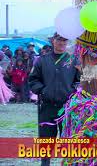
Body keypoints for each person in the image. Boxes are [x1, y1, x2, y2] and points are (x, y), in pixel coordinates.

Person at [29, 33, 81, 166]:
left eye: (64, 41)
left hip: (66, 108)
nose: (61, 43)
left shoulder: (73, 60)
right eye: (59, 40)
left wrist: (72, 91)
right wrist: (43, 91)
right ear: (53, 41)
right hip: (47, 107)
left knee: (68, 141)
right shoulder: (42, 60)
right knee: (46, 140)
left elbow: (79, 81)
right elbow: (33, 80)